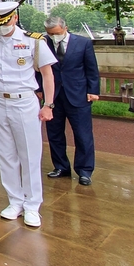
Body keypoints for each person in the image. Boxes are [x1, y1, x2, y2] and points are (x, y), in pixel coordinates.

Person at [0, 2, 56, 228]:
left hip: (24, 100)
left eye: (4, 22)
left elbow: (47, 74)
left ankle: (32, 205)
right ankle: (15, 201)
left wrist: (48, 104)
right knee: (6, 154)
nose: (1, 28)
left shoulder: (33, 41)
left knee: (29, 154)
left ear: (14, 17)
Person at [43, 16, 101, 185]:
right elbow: (39, 69)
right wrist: (40, 90)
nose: (54, 36)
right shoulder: (43, 43)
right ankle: (61, 166)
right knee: (54, 134)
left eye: (57, 33)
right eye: (50, 33)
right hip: (53, 96)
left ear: (65, 28)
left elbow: (92, 69)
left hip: (78, 94)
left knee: (83, 135)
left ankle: (84, 170)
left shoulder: (83, 43)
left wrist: (93, 90)